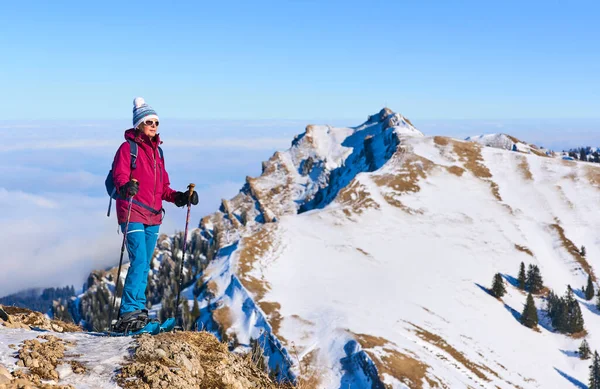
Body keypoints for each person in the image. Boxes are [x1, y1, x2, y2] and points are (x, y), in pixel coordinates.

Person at [111, 97, 198, 332]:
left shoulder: (158, 153)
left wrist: (180, 197)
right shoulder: (127, 149)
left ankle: (138, 311)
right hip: (131, 210)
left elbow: (163, 188)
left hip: (153, 215)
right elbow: (119, 177)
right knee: (139, 260)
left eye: (156, 123)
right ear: (139, 124)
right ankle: (129, 313)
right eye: (149, 121)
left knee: (145, 263)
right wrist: (126, 187)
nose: (153, 126)